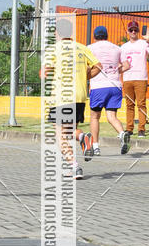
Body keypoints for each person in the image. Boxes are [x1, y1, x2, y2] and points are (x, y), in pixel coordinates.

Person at [40, 16, 102, 180]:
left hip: (61, 97)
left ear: (57, 32)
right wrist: (85, 76)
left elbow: (44, 73)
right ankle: (83, 137)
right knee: (69, 132)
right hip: (80, 97)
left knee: (59, 136)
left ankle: (75, 167)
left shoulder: (54, 49)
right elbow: (98, 66)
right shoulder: (81, 47)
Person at [89, 25, 131, 155]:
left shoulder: (90, 48)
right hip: (115, 85)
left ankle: (95, 147)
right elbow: (127, 65)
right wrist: (117, 71)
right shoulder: (117, 48)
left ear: (95, 36)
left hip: (98, 86)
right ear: (107, 35)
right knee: (111, 116)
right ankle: (122, 133)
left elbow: (87, 66)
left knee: (95, 117)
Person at [121, 20, 149, 137]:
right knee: (129, 105)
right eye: (131, 30)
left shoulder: (144, 44)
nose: (133, 32)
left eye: (135, 30)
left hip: (141, 78)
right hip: (127, 78)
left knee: (141, 104)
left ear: (138, 31)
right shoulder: (123, 47)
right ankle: (129, 129)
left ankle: (141, 129)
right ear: (127, 31)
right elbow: (121, 63)